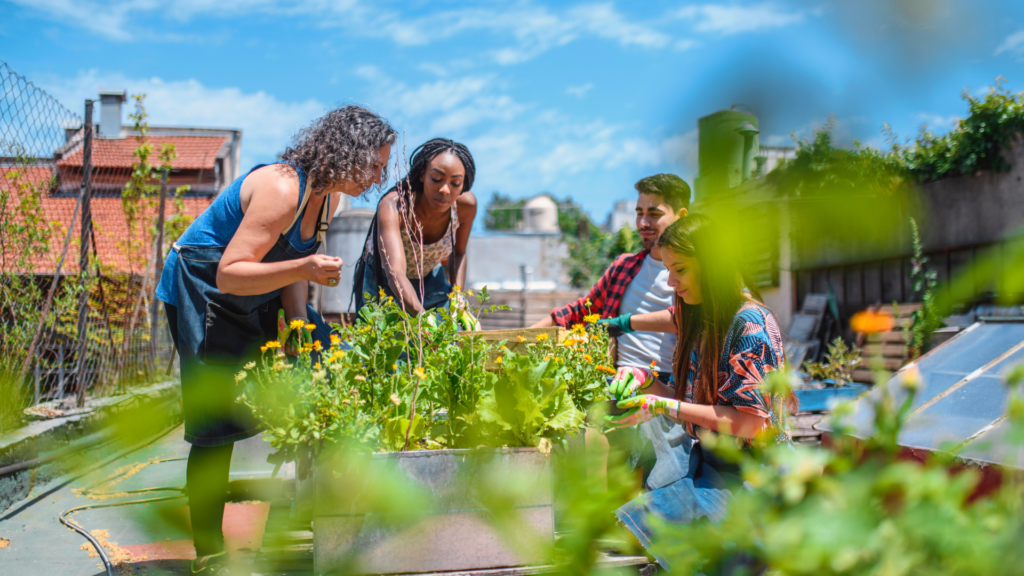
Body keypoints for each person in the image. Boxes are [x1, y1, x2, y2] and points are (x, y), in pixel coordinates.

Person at [154, 106, 396, 575]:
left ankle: (319, 511)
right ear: (347, 153)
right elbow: (230, 273)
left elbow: (290, 269)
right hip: (204, 291)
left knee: (331, 360)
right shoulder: (283, 188)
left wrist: (298, 328)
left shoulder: (330, 200)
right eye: (374, 164)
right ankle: (210, 552)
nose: (379, 176)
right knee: (216, 426)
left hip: (256, 293)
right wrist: (306, 270)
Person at [603, 213, 791, 569]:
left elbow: (750, 424)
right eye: (668, 269)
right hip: (711, 467)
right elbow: (687, 401)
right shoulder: (700, 315)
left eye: (681, 270)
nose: (671, 282)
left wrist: (660, 404)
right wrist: (645, 379)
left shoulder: (749, 324)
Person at [532, 174, 690, 477]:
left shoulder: (692, 273)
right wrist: (518, 337)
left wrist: (624, 323)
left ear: (681, 216)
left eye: (654, 213)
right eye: (639, 213)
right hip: (615, 381)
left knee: (637, 465)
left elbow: (691, 320)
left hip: (668, 386)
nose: (643, 222)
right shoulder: (625, 267)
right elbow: (578, 311)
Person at [354, 138, 477, 315]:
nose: (445, 190)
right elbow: (395, 272)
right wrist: (423, 320)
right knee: (384, 340)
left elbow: (458, 252)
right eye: (436, 178)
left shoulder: (466, 206)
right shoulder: (395, 206)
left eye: (455, 183)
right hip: (383, 280)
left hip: (429, 277)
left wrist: (458, 296)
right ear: (422, 175)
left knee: (452, 334)